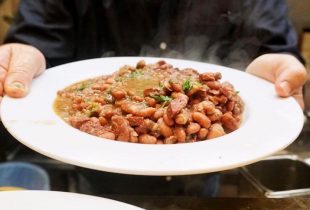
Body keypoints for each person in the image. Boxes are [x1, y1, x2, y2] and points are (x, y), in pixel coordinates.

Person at [0, 0, 307, 196]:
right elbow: (36, 41)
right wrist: (24, 55)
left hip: (205, 174)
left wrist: (274, 72)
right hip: (97, 178)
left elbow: (273, 49)